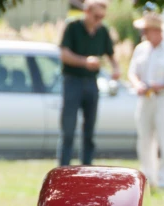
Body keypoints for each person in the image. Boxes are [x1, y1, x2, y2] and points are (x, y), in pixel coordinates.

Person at [128, 12, 164, 190]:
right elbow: (132, 72)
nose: (144, 33)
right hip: (145, 100)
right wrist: (138, 84)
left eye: (147, 30)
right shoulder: (141, 49)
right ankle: (146, 178)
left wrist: (160, 86)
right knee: (144, 140)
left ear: (157, 30)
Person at [59, 0, 120, 166]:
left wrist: (116, 68)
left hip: (92, 83)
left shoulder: (103, 31)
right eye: (96, 16)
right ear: (87, 11)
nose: (99, 20)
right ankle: (64, 169)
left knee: (89, 132)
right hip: (72, 82)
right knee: (68, 131)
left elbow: (111, 54)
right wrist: (85, 62)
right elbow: (64, 54)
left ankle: (86, 169)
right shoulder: (73, 27)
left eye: (102, 17)